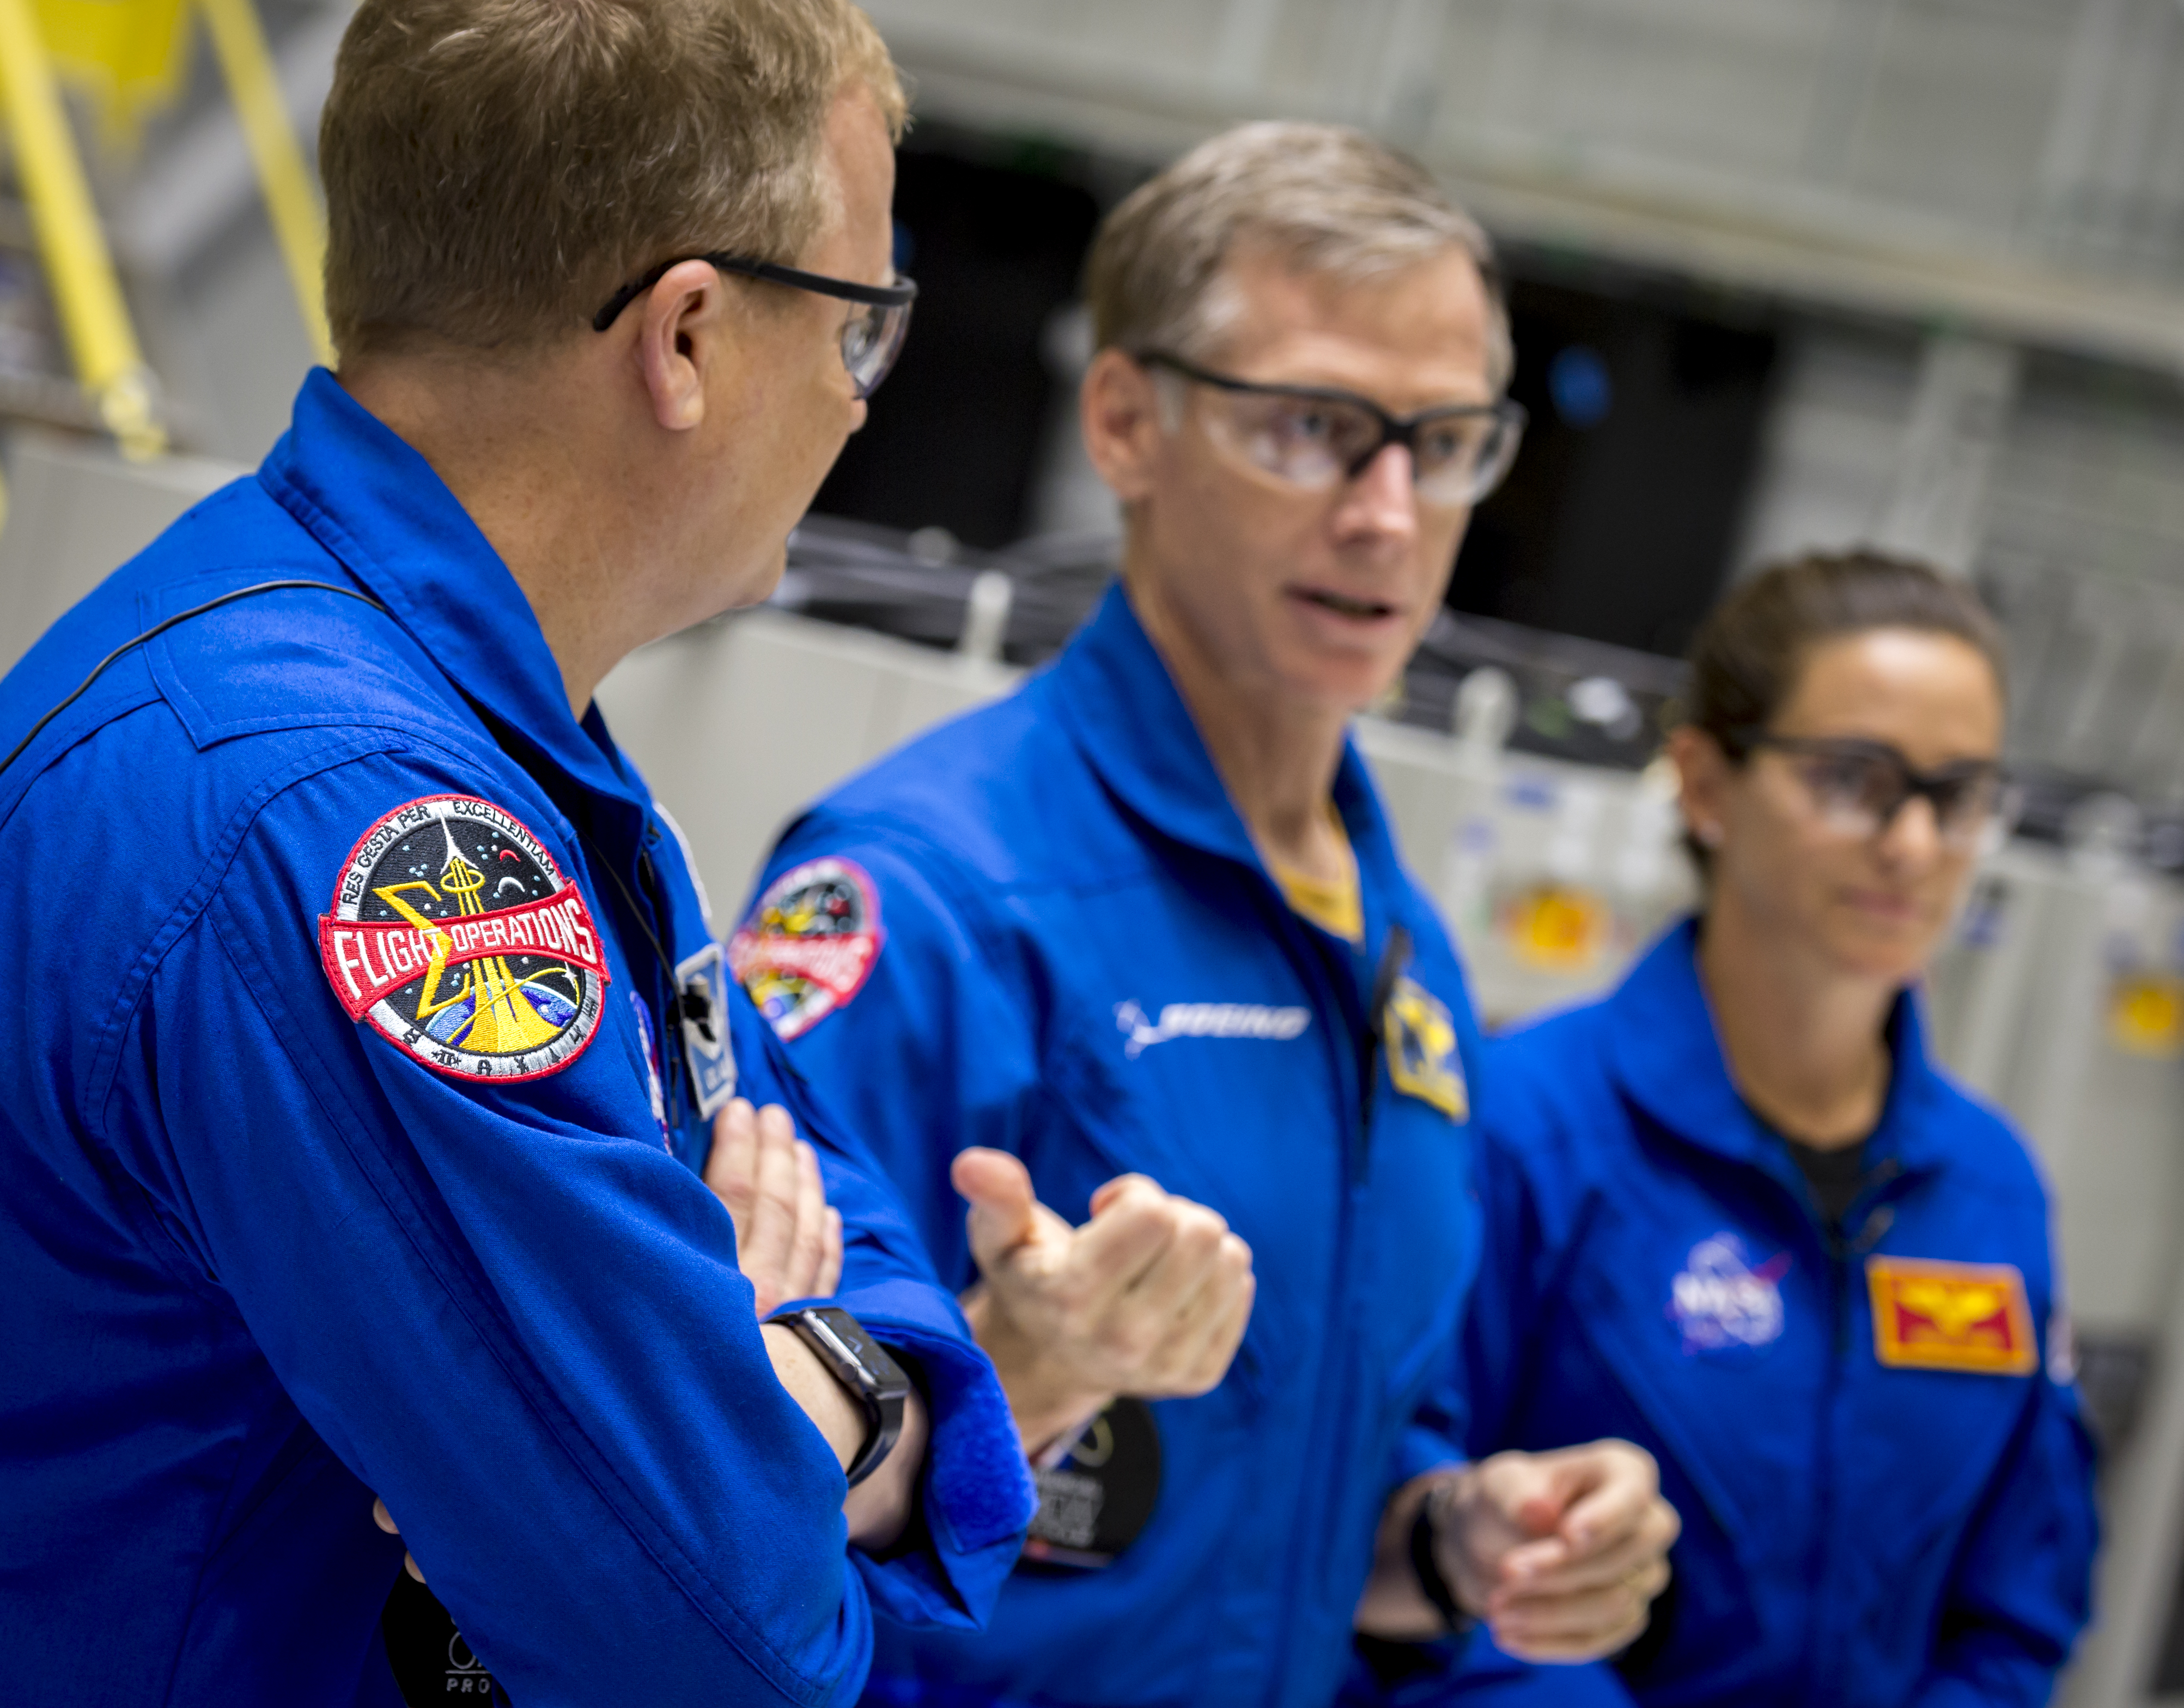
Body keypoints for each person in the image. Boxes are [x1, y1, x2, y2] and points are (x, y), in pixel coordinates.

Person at [0, 3, 1033, 1704]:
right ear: (687, 336)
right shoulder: (365, 830)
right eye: (860, 329)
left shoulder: (471, 736)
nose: (858, 410)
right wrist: (750, 1396)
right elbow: (718, 1641)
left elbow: (849, 1227)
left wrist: (809, 1379)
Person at [728, 123, 1678, 1708]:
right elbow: (718, 1495)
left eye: (1443, 443)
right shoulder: (931, 895)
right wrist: (1008, 1359)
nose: (1388, 514)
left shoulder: (1406, 958)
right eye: (1313, 429)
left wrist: (1450, 1541)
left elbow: (1291, 1503)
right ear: (1125, 421)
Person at [1450, 552, 2099, 1705]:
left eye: (1955, 796)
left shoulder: (1990, 1189)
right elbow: (1409, 1529)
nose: (1910, 844)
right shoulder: (1524, 1127)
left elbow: (2016, 1604)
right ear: (1705, 784)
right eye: (1854, 780)